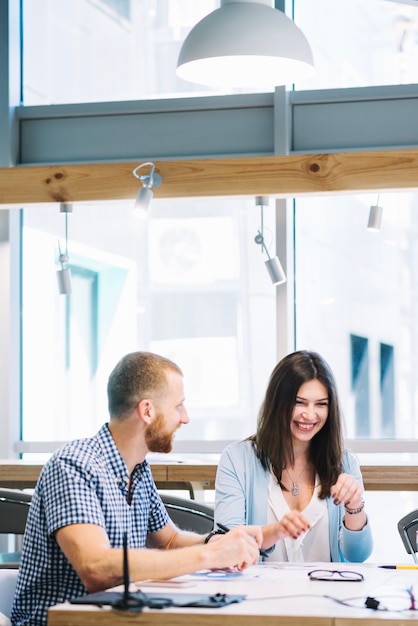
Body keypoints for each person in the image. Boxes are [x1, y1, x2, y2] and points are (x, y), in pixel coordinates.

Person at [12, 351, 266, 626]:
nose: (186, 418)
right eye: (178, 406)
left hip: (117, 618)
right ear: (147, 411)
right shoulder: (74, 465)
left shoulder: (139, 469)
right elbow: (96, 568)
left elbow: (169, 541)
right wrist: (210, 555)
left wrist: (216, 541)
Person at [214, 350, 373, 563]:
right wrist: (275, 531)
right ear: (278, 402)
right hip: (259, 594)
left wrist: (354, 505)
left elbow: (357, 556)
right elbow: (228, 547)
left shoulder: (345, 463)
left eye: (321, 404)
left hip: (328, 594)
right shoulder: (237, 460)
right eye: (299, 402)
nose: (309, 414)